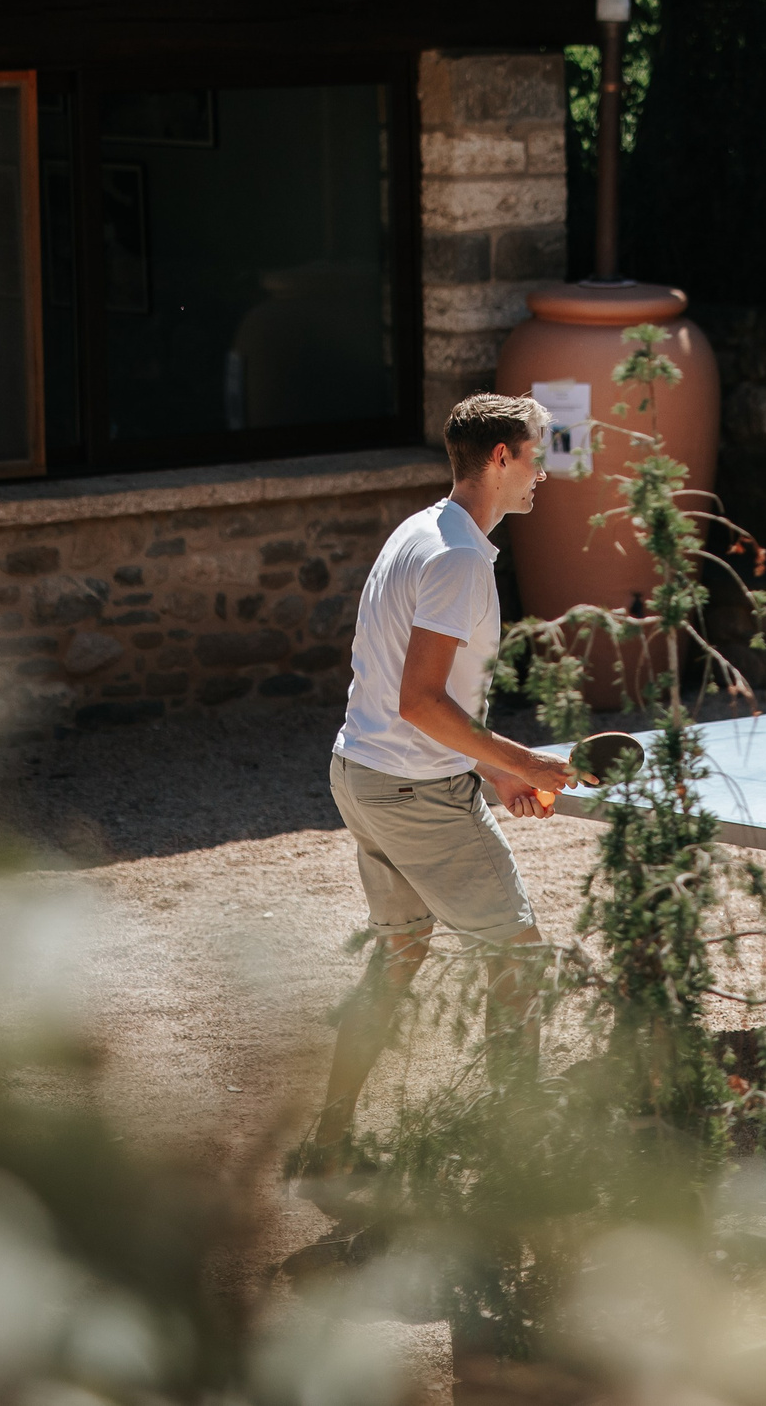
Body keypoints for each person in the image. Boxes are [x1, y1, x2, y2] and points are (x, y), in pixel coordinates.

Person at [308, 393, 576, 1166]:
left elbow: (419, 700)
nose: (543, 475)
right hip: (413, 791)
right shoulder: (460, 559)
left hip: (361, 774)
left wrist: (491, 771)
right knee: (519, 957)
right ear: (500, 458)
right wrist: (522, 761)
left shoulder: (421, 532)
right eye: (534, 456)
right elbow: (420, 699)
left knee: (397, 959)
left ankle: (328, 1143)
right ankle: (513, 1160)